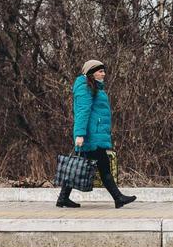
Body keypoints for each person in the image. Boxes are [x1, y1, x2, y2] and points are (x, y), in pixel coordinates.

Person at [58, 59, 136, 209]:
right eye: (100, 71)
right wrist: (79, 134)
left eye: (103, 71)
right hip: (91, 135)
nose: (103, 74)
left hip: (95, 134)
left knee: (79, 166)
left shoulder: (94, 87)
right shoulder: (85, 88)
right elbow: (82, 112)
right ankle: (118, 198)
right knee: (102, 165)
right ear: (91, 73)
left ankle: (63, 198)